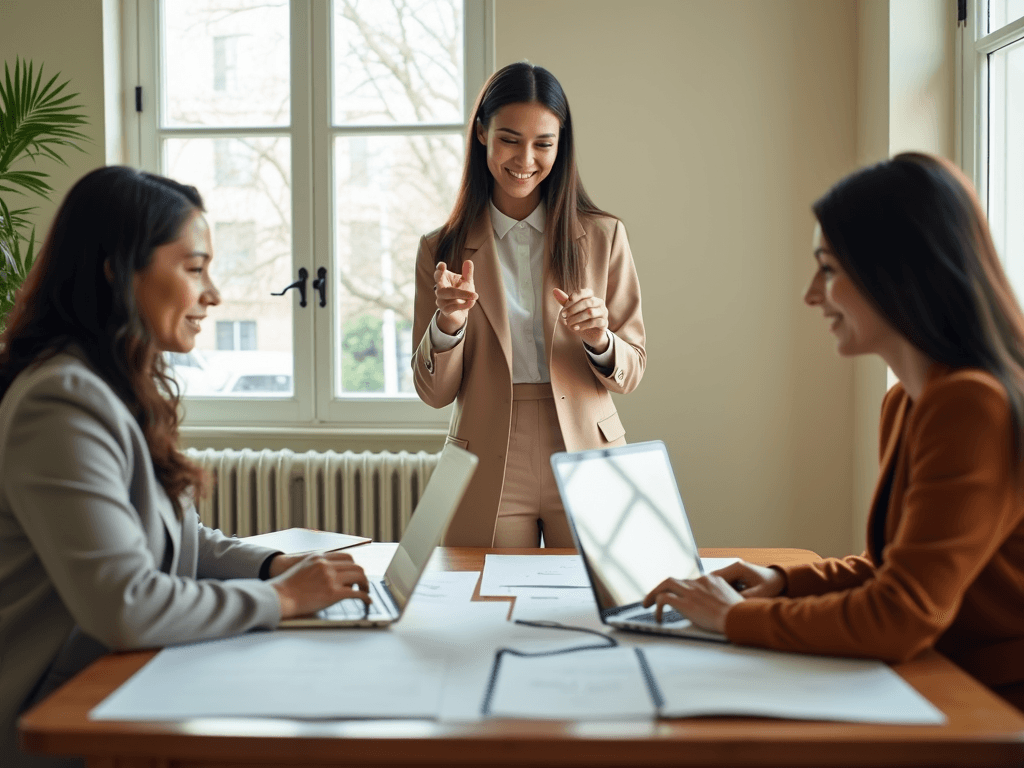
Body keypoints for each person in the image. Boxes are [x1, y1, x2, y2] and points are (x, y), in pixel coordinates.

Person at [0, 166, 370, 767]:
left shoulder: (113, 385)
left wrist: (278, 565)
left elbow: (181, 544)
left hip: (123, 681)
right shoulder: (61, 401)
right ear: (118, 270)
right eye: (194, 268)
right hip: (58, 715)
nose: (214, 294)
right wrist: (283, 599)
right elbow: (125, 604)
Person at [643, 152, 1024, 710]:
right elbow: (899, 568)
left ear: (896, 273)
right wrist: (783, 582)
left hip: (990, 705)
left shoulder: (970, 404)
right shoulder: (907, 402)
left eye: (828, 268)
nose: (811, 294)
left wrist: (733, 617)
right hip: (940, 677)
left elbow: (901, 614)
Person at [412, 62, 646, 547]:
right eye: (510, 139)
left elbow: (632, 371)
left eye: (544, 143)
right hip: (488, 454)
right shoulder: (441, 249)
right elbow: (433, 393)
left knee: (592, 606)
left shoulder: (604, 236)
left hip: (587, 452)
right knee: (488, 609)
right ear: (481, 134)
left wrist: (599, 339)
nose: (525, 159)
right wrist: (448, 323)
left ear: (562, 146)